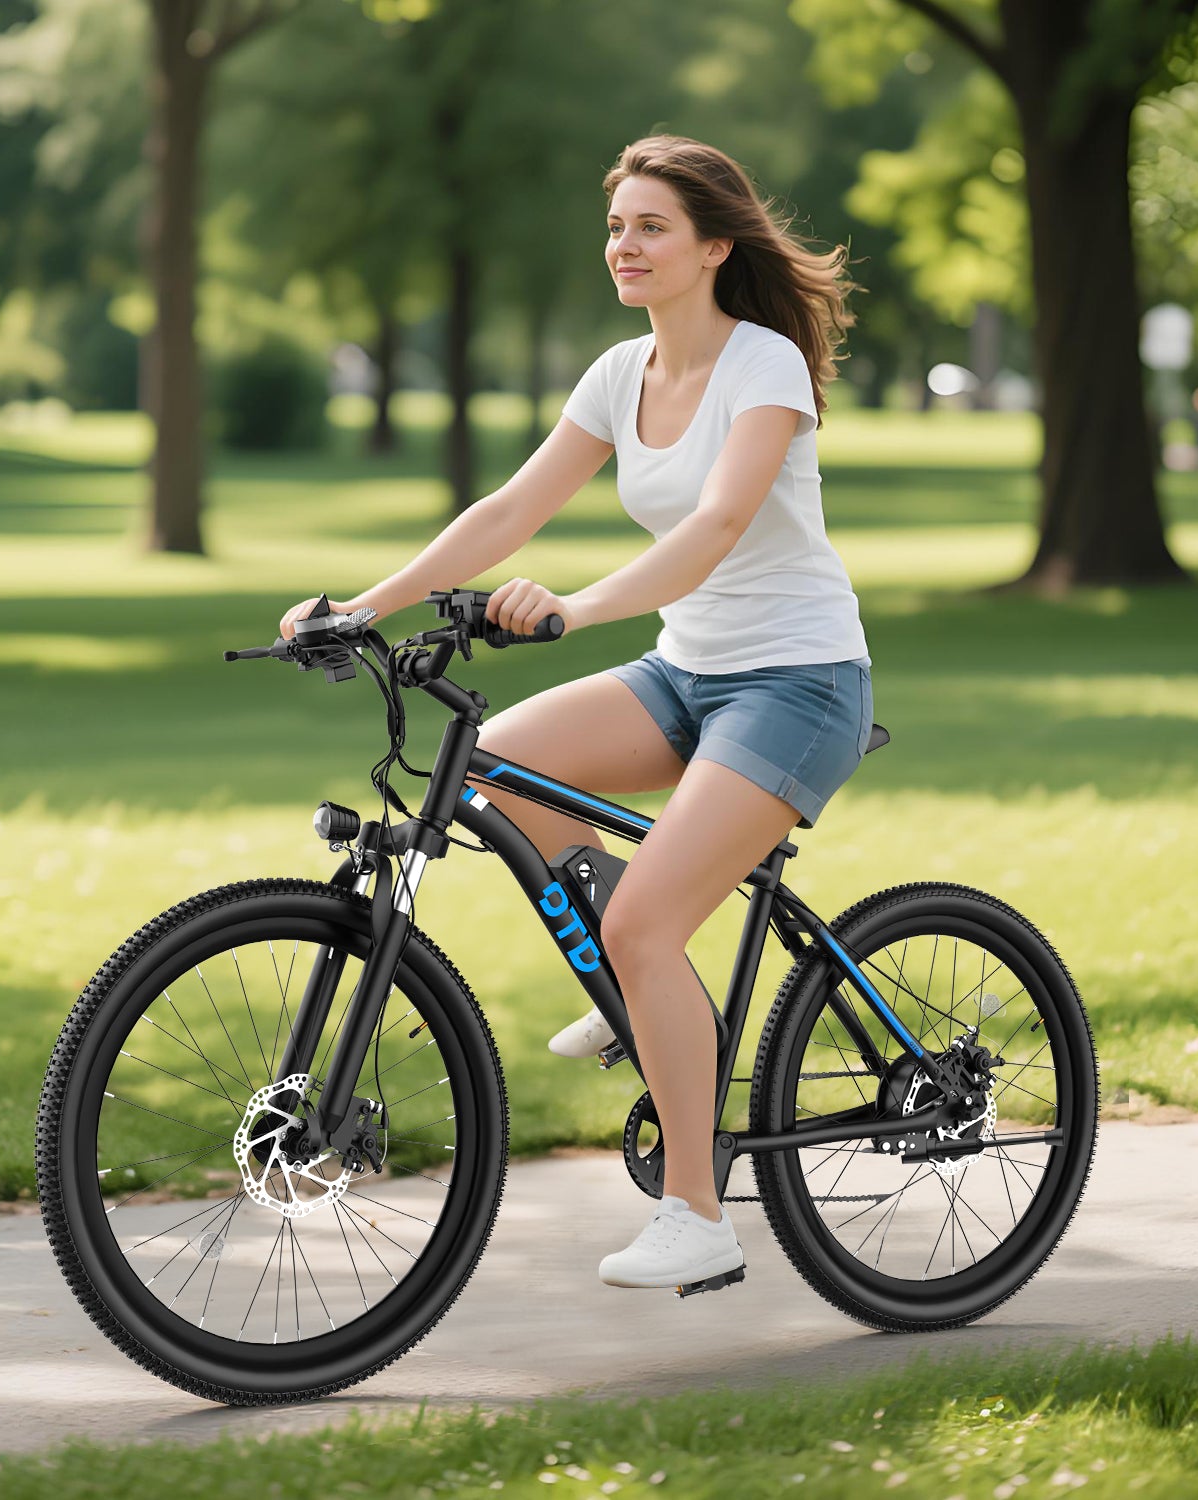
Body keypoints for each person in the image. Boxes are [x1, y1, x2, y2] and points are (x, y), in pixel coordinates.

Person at [281, 134, 872, 1292]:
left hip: (798, 683)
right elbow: (509, 509)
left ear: (713, 246)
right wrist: (364, 604)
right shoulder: (619, 373)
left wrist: (576, 609)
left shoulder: (765, 368)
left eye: (651, 226)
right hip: (686, 674)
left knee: (646, 924)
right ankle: (637, 992)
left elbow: (713, 528)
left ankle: (700, 1217)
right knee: (495, 765)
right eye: (616, 227)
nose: (625, 245)